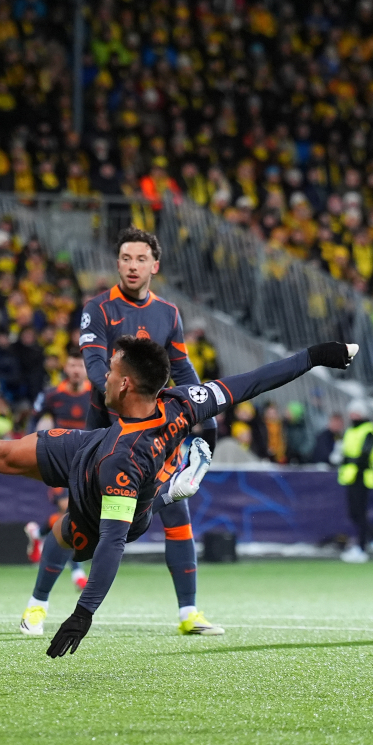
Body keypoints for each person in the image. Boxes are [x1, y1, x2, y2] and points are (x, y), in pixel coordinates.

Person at [0, 337, 357, 656]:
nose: (103, 378)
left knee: (67, 533)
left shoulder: (124, 463)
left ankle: (165, 493)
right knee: (1, 453)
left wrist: (84, 612)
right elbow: (252, 382)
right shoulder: (182, 400)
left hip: (115, 499)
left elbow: (113, 541)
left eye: (109, 371)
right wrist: (317, 355)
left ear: (126, 383)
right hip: (87, 448)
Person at [76, 227, 220, 636]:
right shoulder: (98, 309)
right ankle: (38, 603)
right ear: (117, 263)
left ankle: (189, 613)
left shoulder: (168, 314)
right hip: (106, 426)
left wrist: (205, 410)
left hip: (152, 430)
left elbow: (183, 370)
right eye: (125, 258)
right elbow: (95, 369)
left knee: (177, 510)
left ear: (154, 265)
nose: (132, 266)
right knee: (78, 523)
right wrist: (125, 406)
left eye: (141, 259)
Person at [26, 346, 91, 596]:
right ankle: (77, 573)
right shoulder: (51, 395)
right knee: (69, 511)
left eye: (80, 366)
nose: (76, 370)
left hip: (86, 462)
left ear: (87, 369)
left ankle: (39, 531)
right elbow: (33, 420)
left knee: (78, 517)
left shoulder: (97, 395)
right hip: (59, 460)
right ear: (66, 367)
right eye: (72, 365)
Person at [338, 402, 373, 563]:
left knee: (360, 513)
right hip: (351, 475)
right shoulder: (351, 430)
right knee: (354, 514)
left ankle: (362, 548)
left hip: (363, 475)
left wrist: (348, 459)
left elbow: (364, 454)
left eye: (356, 413)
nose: (353, 415)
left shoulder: (370, 430)